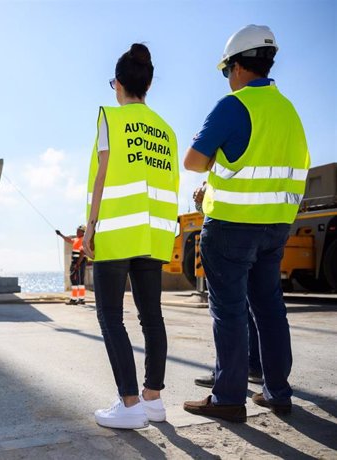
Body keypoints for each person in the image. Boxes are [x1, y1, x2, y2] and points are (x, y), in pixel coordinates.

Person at [183, 25, 309, 423]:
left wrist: (215, 163)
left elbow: (194, 161)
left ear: (237, 67)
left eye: (226, 71)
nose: (227, 79)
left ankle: (228, 398)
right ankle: (277, 391)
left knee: (230, 311)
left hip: (231, 228)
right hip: (275, 228)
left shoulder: (233, 107)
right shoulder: (289, 111)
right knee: (270, 308)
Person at [83, 43, 179, 430]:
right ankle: (152, 399)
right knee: (151, 316)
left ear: (119, 85)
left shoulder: (111, 117)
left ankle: (128, 404)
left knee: (110, 316)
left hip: (117, 231)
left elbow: (104, 171)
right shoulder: (166, 131)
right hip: (153, 234)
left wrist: (90, 225)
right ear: (149, 85)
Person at [191, 184, 263, 388]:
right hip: (263, 228)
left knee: (229, 310)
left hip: (228, 231)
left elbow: (193, 162)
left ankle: (228, 378)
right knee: (257, 307)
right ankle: (257, 369)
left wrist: (204, 195)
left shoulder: (226, 157)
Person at [55, 226, 87, 304]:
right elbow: (68, 240)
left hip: (79, 262)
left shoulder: (83, 240)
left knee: (73, 279)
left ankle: (74, 299)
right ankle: (81, 299)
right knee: (80, 280)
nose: (77, 232)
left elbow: (82, 253)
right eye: (76, 231)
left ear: (83, 232)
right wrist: (60, 234)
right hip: (77, 262)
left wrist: (77, 264)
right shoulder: (76, 239)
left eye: (78, 231)